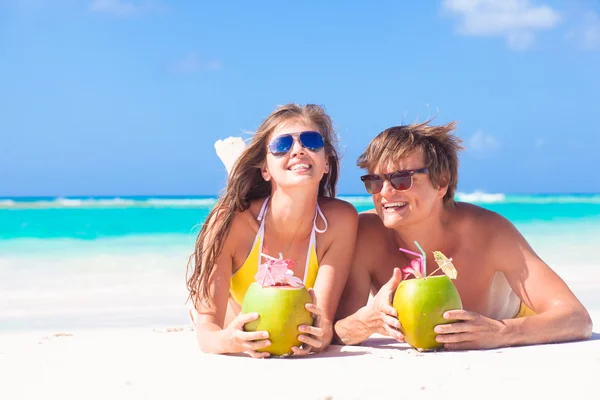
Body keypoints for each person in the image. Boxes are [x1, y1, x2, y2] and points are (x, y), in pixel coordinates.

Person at [333, 120, 592, 350]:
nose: (385, 192)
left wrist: (501, 332)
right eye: (375, 182)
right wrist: (365, 322)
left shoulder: (489, 233)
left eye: (401, 179)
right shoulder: (365, 232)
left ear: (441, 183)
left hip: (516, 320)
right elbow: (338, 331)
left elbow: (577, 318)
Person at [186, 104, 358, 357]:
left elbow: (322, 321)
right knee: (235, 206)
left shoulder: (341, 220)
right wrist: (227, 341)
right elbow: (207, 332)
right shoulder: (229, 221)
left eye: (311, 142)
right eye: (281, 146)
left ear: (326, 164)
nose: (299, 150)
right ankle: (238, 172)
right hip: (232, 316)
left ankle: (248, 168)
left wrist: (320, 338)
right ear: (265, 170)